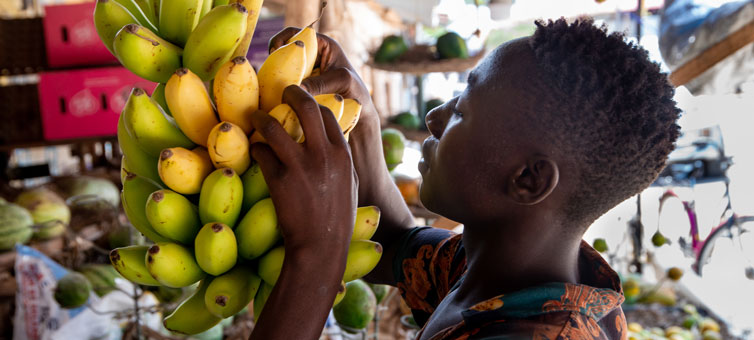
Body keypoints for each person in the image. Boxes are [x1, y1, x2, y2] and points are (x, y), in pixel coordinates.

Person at [248, 17, 681, 340]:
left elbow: (334, 252)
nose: (434, 119)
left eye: (461, 111)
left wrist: (315, 256)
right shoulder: (494, 270)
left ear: (528, 179)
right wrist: (364, 122)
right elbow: (395, 246)